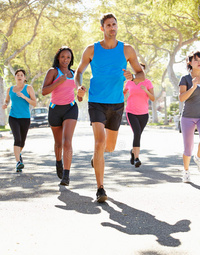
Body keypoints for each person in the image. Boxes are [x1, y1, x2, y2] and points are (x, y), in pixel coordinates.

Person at [75, 13, 145, 202]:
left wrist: (133, 77)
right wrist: (79, 87)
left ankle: (97, 158)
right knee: (99, 143)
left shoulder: (127, 49)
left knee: (110, 147)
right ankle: (100, 189)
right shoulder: (92, 49)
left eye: (114, 24)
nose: (112, 28)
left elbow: (141, 74)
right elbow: (79, 72)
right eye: (108, 25)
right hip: (96, 101)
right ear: (102, 28)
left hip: (116, 103)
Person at [42, 46, 81, 186]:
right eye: (63, 56)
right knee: (58, 143)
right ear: (58, 57)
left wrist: (81, 94)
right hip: (55, 110)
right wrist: (58, 82)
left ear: (71, 60)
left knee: (67, 141)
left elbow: (80, 96)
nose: (65, 59)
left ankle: (66, 175)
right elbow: (44, 91)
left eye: (68, 57)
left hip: (70, 108)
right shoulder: (53, 72)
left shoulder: (74, 73)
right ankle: (59, 162)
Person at [2, 69, 37, 172]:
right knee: (17, 138)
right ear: (15, 77)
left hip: (25, 118)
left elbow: (34, 103)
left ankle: (18, 155)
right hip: (13, 117)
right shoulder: (10, 89)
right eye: (17, 75)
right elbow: (7, 100)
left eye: (21, 75)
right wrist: (5, 104)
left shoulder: (28, 88)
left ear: (24, 78)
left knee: (22, 141)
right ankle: (18, 162)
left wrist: (24, 97)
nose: (19, 76)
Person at [123, 63, 155, 167]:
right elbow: (122, 93)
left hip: (144, 114)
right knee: (137, 133)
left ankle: (133, 152)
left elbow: (153, 98)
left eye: (141, 69)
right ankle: (136, 158)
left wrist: (145, 90)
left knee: (138, 135)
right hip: (131, 112)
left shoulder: (148, 82)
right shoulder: (129, 83)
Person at [179, 50, 200, 183]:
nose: (199, 63)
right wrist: (193, 87)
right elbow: (181, 98)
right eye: (196, 60)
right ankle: (186, 171)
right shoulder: (185, 79)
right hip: (188, 117)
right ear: (190, 63)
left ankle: (198, 157)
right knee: (188, 148)